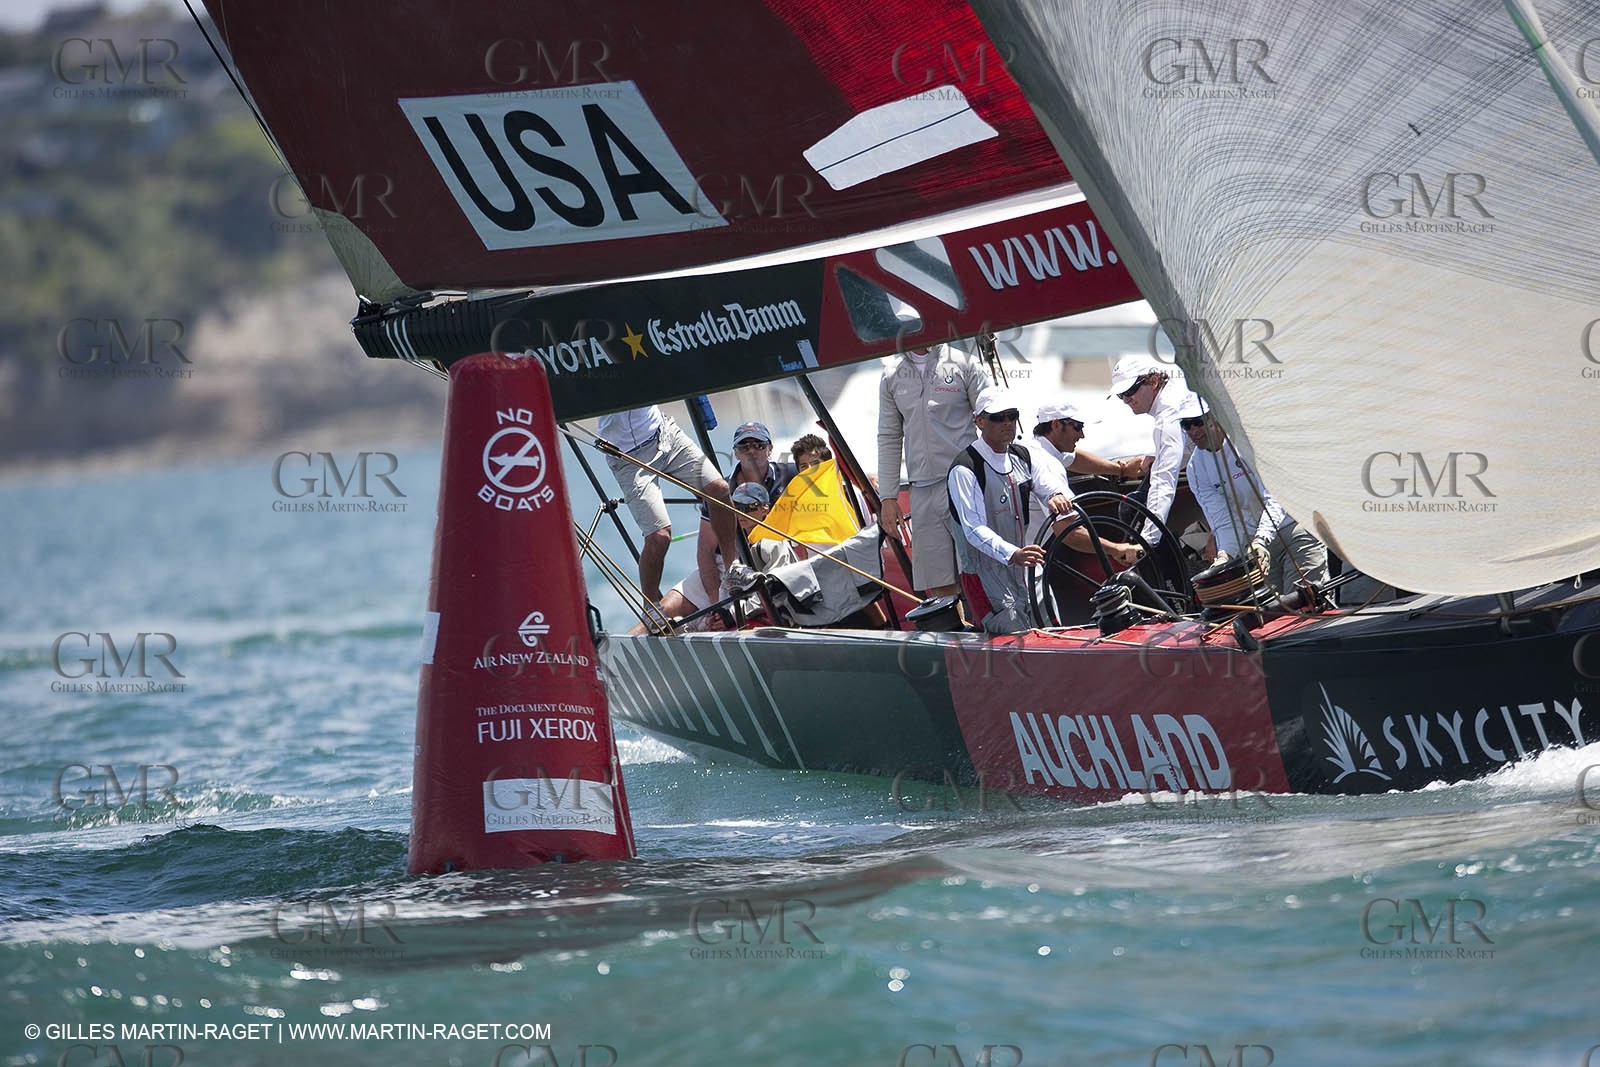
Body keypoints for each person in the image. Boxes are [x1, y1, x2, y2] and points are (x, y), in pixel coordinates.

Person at [947, 387, 1140, 635]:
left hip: (1028, 567)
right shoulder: (965, 469)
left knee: (1051, 634)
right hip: (987, 577)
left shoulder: (1024, 455)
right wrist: (1014, 553)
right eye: (998, 417)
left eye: (1012, 415)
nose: (1007, 423)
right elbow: (973, 529)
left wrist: (1054, 495)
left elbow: (1053, 475)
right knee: (1015, 642)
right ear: (980, 421)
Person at [1179, 395, 1328, 591]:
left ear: (1216, 417)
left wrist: (1261, 539)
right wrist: (1225, 556)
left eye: (1198, 422)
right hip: (1255, 548)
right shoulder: (1196, 469)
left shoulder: (1251, 441)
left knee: (1309, 604)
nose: (1193, 431)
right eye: (1186, 425)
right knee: (1275, 616)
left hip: (1294, 529)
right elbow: (1224, 520)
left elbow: (1276, 496)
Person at [879, 341, 990, 597]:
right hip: (921, 490)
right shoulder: (890, 374)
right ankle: (956, 636)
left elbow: (992, 417)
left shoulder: (965, 362)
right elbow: (888, 436)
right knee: (938, 580)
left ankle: (996, 632)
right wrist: (888, 496)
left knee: (982, 572)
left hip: (967, 482)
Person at [599, 405, 735, 604]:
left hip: (665, 435)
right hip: (626, 456)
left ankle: (733, 569)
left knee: (719, 489)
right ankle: (651, 607)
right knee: (659, 536)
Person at [1110, 355, 1196, 548]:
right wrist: (1157, 453)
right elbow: (1189, 443)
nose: (1126, 400)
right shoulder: (1175, 391)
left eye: (1130, 390)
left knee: (1132, 508)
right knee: (1132, 505)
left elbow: (1163, 482)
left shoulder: (1167, 418)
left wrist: (1148, 541)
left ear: (1154, 381)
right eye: (1120, 394)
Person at [1030, 401, 1149, 483]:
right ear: (1056, 424)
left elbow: (1075, 459)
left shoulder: (1049, 450)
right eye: (1077, 426)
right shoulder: (1043, 462)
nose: (1082, 435)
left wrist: (1121, 469)